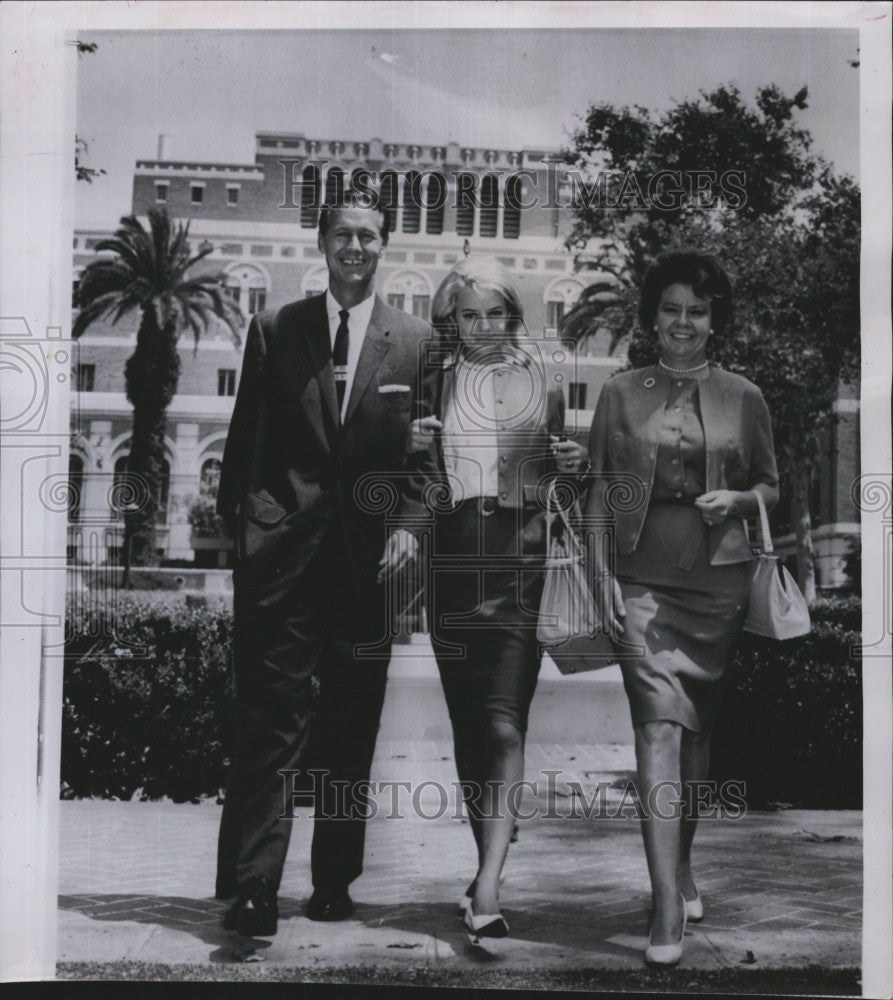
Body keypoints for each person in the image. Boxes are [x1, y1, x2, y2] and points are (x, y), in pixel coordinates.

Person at [215, 188, 431, 936]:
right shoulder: (276, 329)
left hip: (368, 569)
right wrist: (246, 542)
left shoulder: (414, 343)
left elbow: (428, 464)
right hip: (281, 562)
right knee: (270, 725)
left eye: (370, 237)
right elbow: (246, 451)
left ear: (384, 247)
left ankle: (335, 880)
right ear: (322, 242)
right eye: (343, 234)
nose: (356, 248)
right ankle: (253, 889)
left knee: (350, 727)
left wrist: (407, 524)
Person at [585, 248, 778, 966]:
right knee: (657, 726)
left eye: (696, 311)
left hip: (717, 582)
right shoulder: (618, 392)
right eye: (670, 309)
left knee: (694, 735)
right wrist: (599, 573)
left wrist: (738, 499)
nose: (682, 323)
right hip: (639, 581)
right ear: (650, 316)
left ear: (714, 319)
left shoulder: (745, 396)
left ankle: (682, 865)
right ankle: (664, 902)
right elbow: (600, 489)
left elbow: (771, 488)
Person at [406, 257, 588, 943]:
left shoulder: (543, 380)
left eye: (494, 314)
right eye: (468, 315)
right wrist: (407, 443)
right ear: (452, 321)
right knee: (467, 729)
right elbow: (410, 471)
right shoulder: (432, 379)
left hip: (519, 562)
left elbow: (558, 476)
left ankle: (487, 884)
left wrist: (574, 466)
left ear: (514, 317)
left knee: (505, 724)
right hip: (451, 562)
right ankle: (482, 868)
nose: (481, 327)